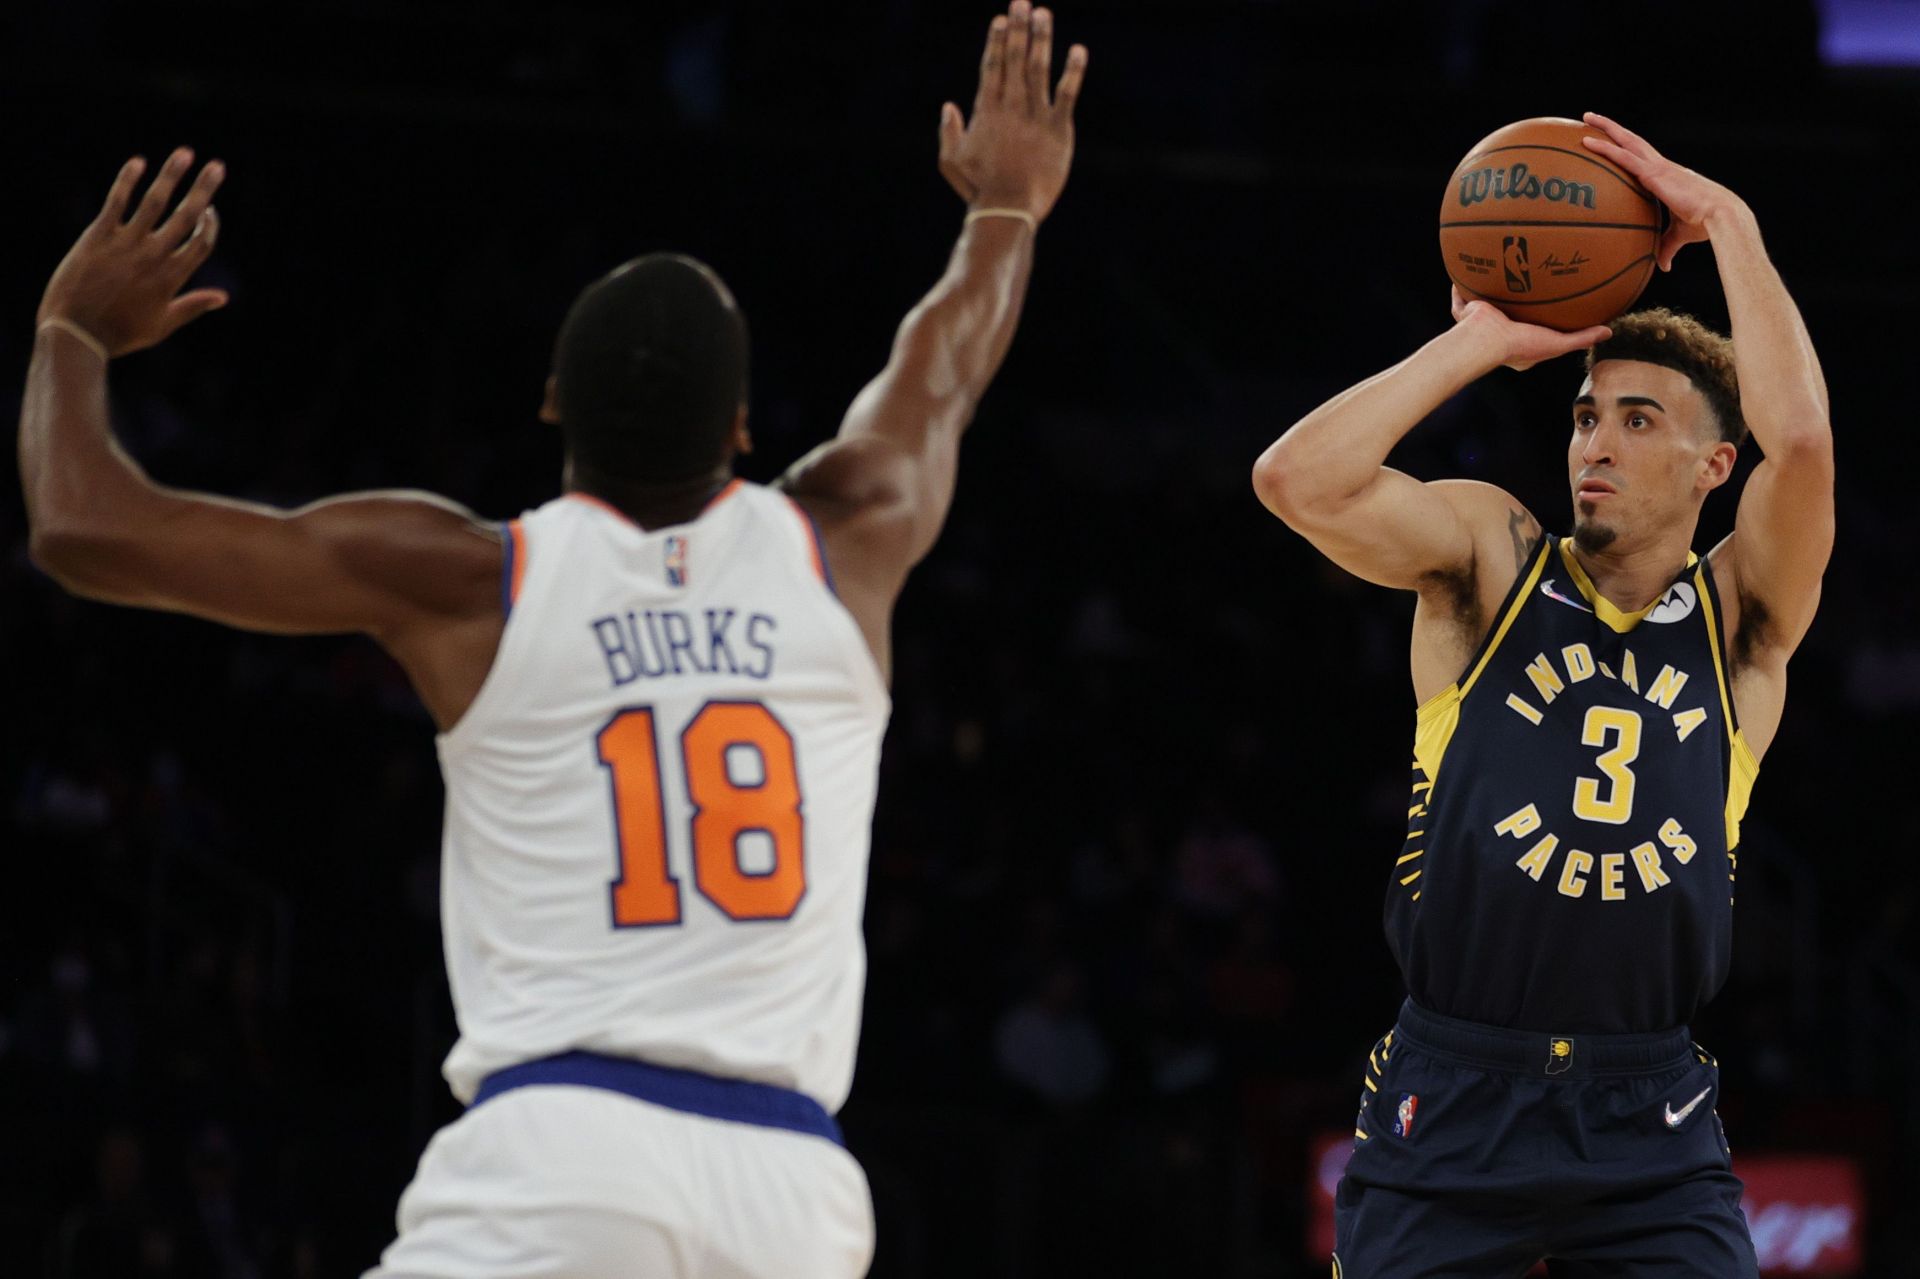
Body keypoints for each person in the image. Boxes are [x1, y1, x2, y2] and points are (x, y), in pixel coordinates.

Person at [19, 5, 1087, 1274]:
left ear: (549, 408)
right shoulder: (847, 539)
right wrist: (1005, 211)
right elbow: (943, 363)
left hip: (562, 1161)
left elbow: (90, 530)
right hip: (796, 1195)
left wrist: (71, 337)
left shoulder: (476, 579)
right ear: (744, 428)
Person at [1253, 113, 1832, 1276]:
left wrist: (1728, 221)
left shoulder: (1739, 619)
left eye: (1637, 419)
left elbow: (1804, 443)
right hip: (1453, 1083)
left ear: (1715, 466)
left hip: (1650, 1104)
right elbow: (1292, 480)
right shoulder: (1493, 560)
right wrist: (1478, 345)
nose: (1594, 444)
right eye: (1583, 415)